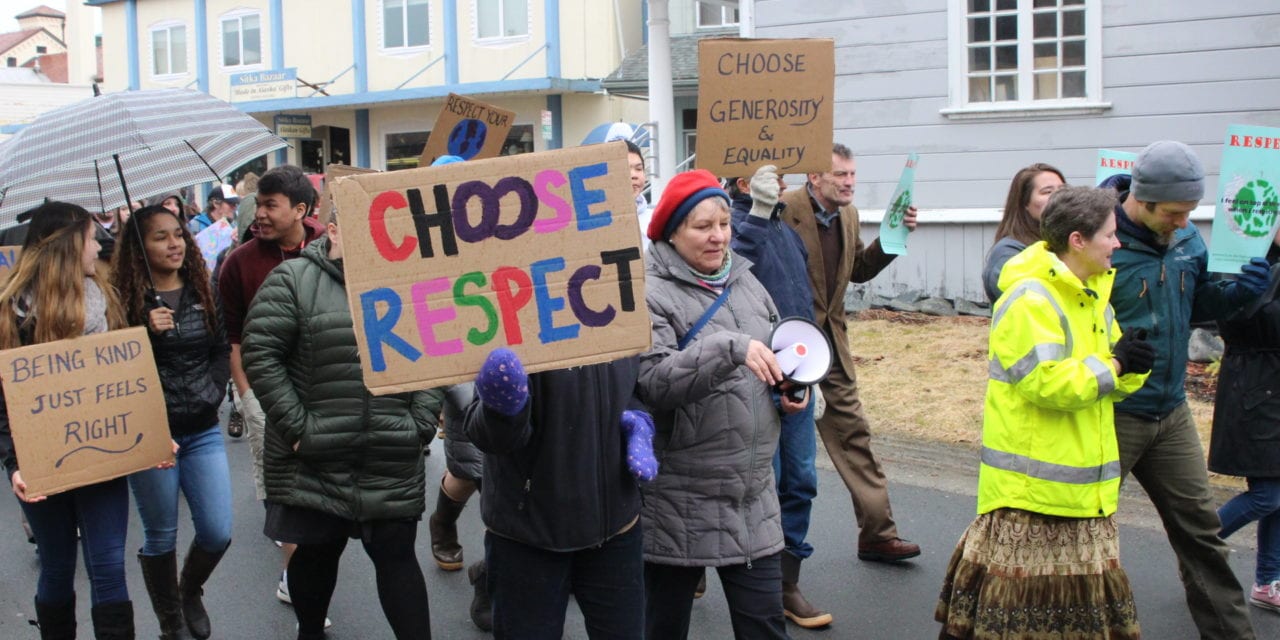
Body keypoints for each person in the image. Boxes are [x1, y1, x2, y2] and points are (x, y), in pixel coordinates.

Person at [936, 186, 1150, 639]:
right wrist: (1115, 365)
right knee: (1011, 626)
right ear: (1077, 240)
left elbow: (1106, 385)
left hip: (1083, 495)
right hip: (1030, 500)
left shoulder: (1093, 297)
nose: (1117, 244)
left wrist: (1133, 368)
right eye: (1110, 235)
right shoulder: (1030, 299)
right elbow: (1045, 383)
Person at [242, 203, 443, 640]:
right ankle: (310, 632)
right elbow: (260, 353)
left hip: (390, 451)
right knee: (315, 556)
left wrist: (420, 423)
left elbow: (438, 352)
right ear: (332, 229)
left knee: (397, 558)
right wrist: (298, 429)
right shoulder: (293, 281)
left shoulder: (411, 284)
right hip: (316, 454)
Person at [1108, 140, 1270, 639]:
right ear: (1143, 198)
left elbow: (1198, 302)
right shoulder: (1102, 242)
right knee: (1084, 534)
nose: (1184, 222)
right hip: (1112, 413)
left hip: (1170, 412)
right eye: (1175, 213)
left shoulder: (1187, 241)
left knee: (1203, 535)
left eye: (1190, 213)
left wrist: (1241, 293)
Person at [637, 169, 805, 639]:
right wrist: (728, 347)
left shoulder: (746, 281)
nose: (718, 237)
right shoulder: (649, 294)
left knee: (765, 627)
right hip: (678, 501)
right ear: (672, 231)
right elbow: (653, 382)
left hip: (753, 497)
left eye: (724, 224)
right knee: (662, 627)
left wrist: (789, 390)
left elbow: (775, 350)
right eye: (702, 226)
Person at [778, 143, 921, 563]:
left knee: (854, 435)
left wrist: (894, 238)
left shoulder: (850, 215)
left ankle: (878, 534)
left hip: (831, 349)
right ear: (815, 177)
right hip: (783, 347)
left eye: (853, 175)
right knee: (765, 455)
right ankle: (701, 564)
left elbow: (856, 270)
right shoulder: (783, 208)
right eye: (840, 175)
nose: (849, 183)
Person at [0, 202, 136, 639]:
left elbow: (127, 380)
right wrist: (13, 464)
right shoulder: (11, 313)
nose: (99, 245)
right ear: (67, 245)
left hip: (103, 455)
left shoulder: (107, 297)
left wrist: (147, 436)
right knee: (58, 566)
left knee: (109, 565)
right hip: (40, 461)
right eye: (91, 238)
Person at [462, 350, 650, 638]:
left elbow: (637, 383)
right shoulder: (514, 315)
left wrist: (639, 418)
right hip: (529, 534)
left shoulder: (620, 311)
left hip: (616, 528)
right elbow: (487, 436)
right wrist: (503, 409)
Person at [111, 205, 233, 640]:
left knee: (218, 531)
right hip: (150, 435)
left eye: (178, 234)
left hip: (201, 430)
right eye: (160, 237)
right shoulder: (123, 301)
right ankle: (170, 624)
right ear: (139, 247)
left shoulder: (203, 287)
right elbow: (110, 375)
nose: (174, 243)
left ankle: (189, 590)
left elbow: (220, 349)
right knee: (160, 534)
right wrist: (142, 332)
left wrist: (213, 391)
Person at [216, 164, 325, 609]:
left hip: (324, 391)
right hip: (264, 393)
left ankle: (310, 558)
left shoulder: (331, 244)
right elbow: (235, 339)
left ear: (300, 210)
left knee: (321, 486)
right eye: (257, 204)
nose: (258, 214)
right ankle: (294, 575)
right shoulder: (237, 263)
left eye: (269, 205)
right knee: (280, 486)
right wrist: (247, 398)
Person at [727, 164, 829, 628]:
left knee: (801, 480)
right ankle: (758, 584)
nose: (783, 182)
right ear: (743, 183)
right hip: (754, 377)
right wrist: (758, 211)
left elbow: (799, 303)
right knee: (761, 485)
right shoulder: (729, 223)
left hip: (797, 377)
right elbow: (733, 268)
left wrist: (814, 371)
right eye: (769, 176)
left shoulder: (784, 229)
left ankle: (788, 584)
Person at [1209, 229, 1280, 612]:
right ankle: (1197, 547)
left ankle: (1268, 581)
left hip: (1271, 386)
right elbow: (1231, 319)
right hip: (1255, 389)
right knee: (1268, 494)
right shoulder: (1242, 260)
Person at [982, 163, 1066, 301]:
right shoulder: (1008, 253)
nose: (1059, 197)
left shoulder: (1070, 243)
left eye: (1063, 190)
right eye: (1047, 192)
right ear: (1024, 203)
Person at [625, 140, 652, 251]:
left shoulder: (655, 220)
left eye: (639, 169)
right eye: (626, 169)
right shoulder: (593, 224)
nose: (634, 175)